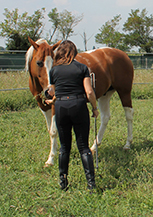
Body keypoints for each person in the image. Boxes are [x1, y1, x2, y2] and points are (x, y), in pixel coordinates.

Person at [45, 40, 99, 191]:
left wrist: (49, 97)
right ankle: (91, 184)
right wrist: (94, 108)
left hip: (61, 107)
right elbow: (89, 92)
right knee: (83, 147)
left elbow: (52, 92)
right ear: (74, 52)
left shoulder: (54, 71)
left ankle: (63, 182)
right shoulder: (82, 68)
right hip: (79, 105)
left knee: (64, 147)